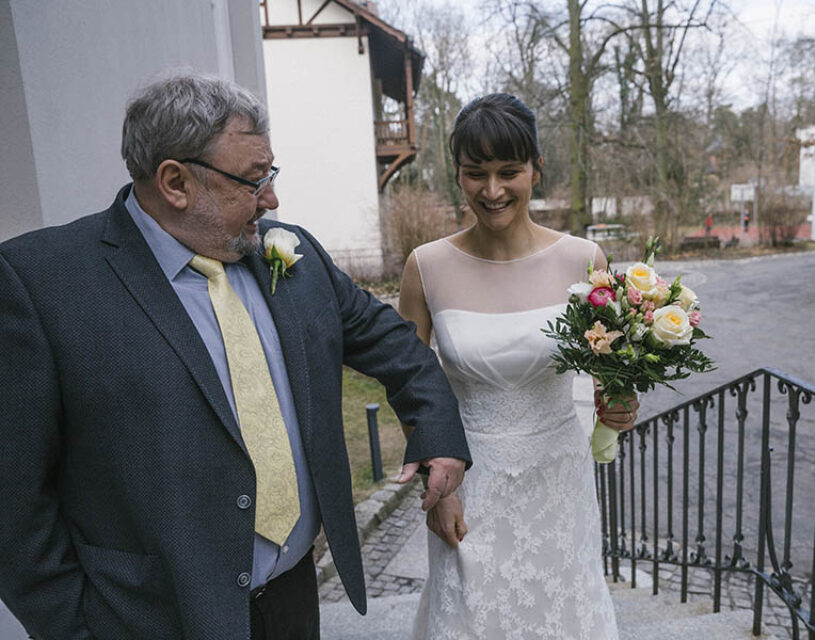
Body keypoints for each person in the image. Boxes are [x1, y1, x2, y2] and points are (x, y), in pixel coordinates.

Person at [0, 73, 470, 640]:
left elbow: (392, 341)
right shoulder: (41, 285)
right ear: (175, 182)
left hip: (295, 599)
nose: (272, 198)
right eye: (253, 180)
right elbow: (15, 503)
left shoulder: (294, 256)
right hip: (150, 621)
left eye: (270, 175)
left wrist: (438, 429)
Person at [398, 93, 638, 639]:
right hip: (468, 482)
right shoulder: (426, 267)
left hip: (558, 479)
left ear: (536, 169)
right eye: (475, 173)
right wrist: (439, 491)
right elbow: (410, 387)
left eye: (510, 171)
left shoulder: (583, 259)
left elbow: (612, 376)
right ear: (457, 174)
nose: (493, 190)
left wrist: (620, 403)